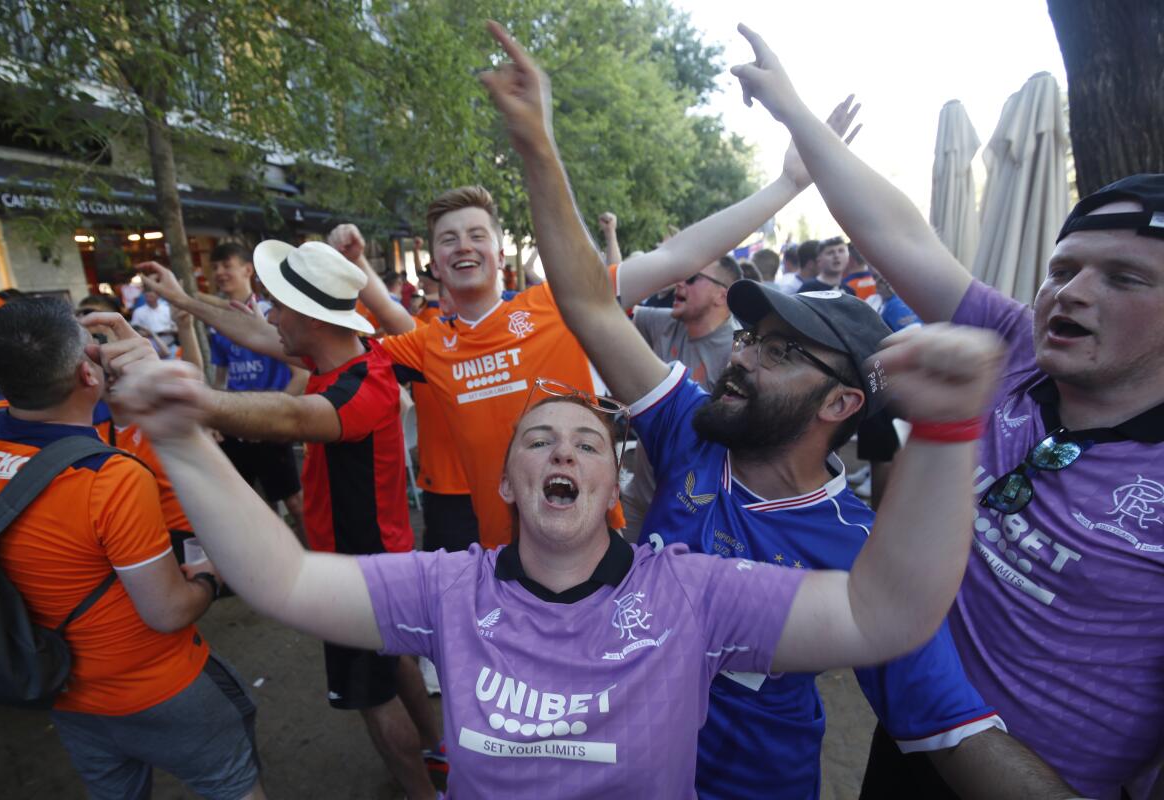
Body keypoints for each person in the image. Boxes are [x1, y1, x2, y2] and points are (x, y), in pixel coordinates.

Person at [105, 25, 1027, 799]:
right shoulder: (452, 561)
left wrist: (945, 427)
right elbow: (292, 527)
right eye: (535, 437)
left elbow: (894, 619)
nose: (743, 356)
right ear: (507, 472)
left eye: (588, 433)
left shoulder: (679, 586)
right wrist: (184, 404)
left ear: (618, 473)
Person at [483, 20, 1075, 800]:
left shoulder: (866, 555)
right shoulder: (690, 429)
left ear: (842, 401)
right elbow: (593, 308)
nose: (744, 356)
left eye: (781, 351)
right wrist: (537, 147)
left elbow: (958, 733)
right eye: (751, 337)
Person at [728, 21, 1164, 798]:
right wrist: (793, 109)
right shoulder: (1013, 348)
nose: (1072, 292)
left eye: (1126, 279)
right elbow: (898, 232)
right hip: (909, 739)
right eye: (1063, 267)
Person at [337, 100, 861, 550]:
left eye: (476, 234)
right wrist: (338, 270)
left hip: (594, 550)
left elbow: (677, 255)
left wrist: (788, 183)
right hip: (504, 558)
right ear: (433, 257)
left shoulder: (563, 302)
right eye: (448, 239)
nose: (463, 246)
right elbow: (324, 349)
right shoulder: (425, 343)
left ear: (500, 251)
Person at [137, 244, 442, 800]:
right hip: (379, 562)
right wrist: (183, 299)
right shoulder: (356, 355)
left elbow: (293, 416)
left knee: (371, 698)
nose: (270, 317)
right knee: (391, 662)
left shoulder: (358, 388)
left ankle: (426, 792)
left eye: (278, 307)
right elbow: (252, 331)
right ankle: (439, 751)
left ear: (309, 318)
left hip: (359, 573)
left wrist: (192, 404)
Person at [0, 299, 263, 800]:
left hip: (63, 691)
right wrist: (209, 576)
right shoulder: (110, 478)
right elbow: (167, 611)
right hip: (158, 685)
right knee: (233, 786)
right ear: (87, 373)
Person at [621, 255, 741, 541]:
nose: (679, 283)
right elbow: (606, 305)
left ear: (721, 294)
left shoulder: (740, 351)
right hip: (639, 496)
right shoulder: (663, 323)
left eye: (690, 278)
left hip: (691, 510)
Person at [206, 242, 307, 544]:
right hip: (236, 424)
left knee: (295, 503)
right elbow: (221, 377)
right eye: (215, 268)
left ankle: (318, 562)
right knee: (252, 506)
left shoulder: (273, 315)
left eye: (227, 265)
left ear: (247, 269)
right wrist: (216, 416)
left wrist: (275, 415)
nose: (220, 273)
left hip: (270, 426)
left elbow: (301, 373)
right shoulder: (217, 323)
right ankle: (276, 570)